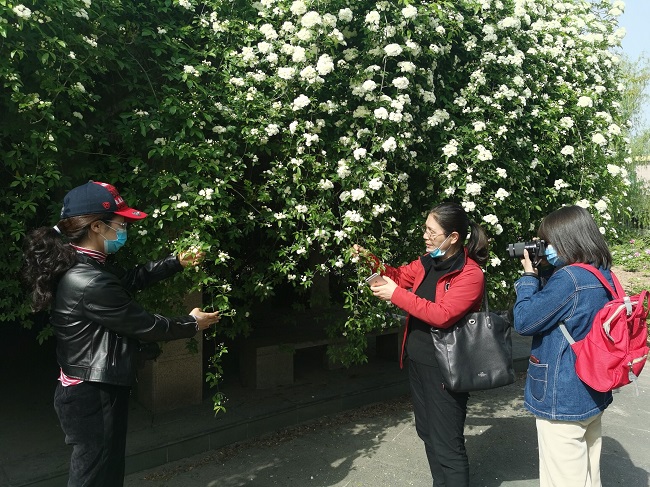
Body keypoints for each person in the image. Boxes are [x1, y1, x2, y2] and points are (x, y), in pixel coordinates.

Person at [22, 180, 221, 487]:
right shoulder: (88, 279)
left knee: (104, 471)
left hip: (86, 388)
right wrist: (192, 323)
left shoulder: (82, 262)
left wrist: (175, 262)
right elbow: (146, 325)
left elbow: (128, 280)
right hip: (92, 394)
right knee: (95, 476)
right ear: (97, 226)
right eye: (121, 223)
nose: (125, 229)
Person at [353, 202, 488, 487]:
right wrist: (368, 259)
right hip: (418, 362)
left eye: (432, 231)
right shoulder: (428, 262)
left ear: (453, 237)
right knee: (427, 433)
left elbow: (442, 314)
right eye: (425, 229)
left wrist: (395, 295)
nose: (425, 236)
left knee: (447, 443)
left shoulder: (469, 274)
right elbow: (398, 276)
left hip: (446, 369)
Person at [513, 205, 614, 487]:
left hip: (563, 395)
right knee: (589, 475)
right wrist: (546, 271)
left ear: (566, 240)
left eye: (549, 242)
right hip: (593, 390)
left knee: (563, 480)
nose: (546, 249)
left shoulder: (569, 279)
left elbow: (524, 321)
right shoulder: (601, 273)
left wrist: (529, 278)